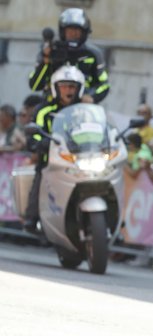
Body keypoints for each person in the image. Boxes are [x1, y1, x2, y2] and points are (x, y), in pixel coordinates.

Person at [24, 65, 85, 232]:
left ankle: (113, 220)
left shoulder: (85, 111)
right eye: (63, 86)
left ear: (79, 89)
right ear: (55, 88)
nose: (68, 90)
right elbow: (33, 133)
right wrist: (40, 142)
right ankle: (33, 217)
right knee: (41, 176)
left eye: (72, 86)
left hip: (79, 162)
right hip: (51, 161)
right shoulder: (44, 110)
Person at [28, 8, 109, 104]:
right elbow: (34, 85)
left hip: (82, 108)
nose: (73, 34)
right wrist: (45, 61)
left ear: (84, 32)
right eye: (70, 30)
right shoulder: (50, 51)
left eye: (77, 30)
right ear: (63, 31)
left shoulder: (93, 54)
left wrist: (92, 97)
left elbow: (104, 85)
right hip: (52, 107)